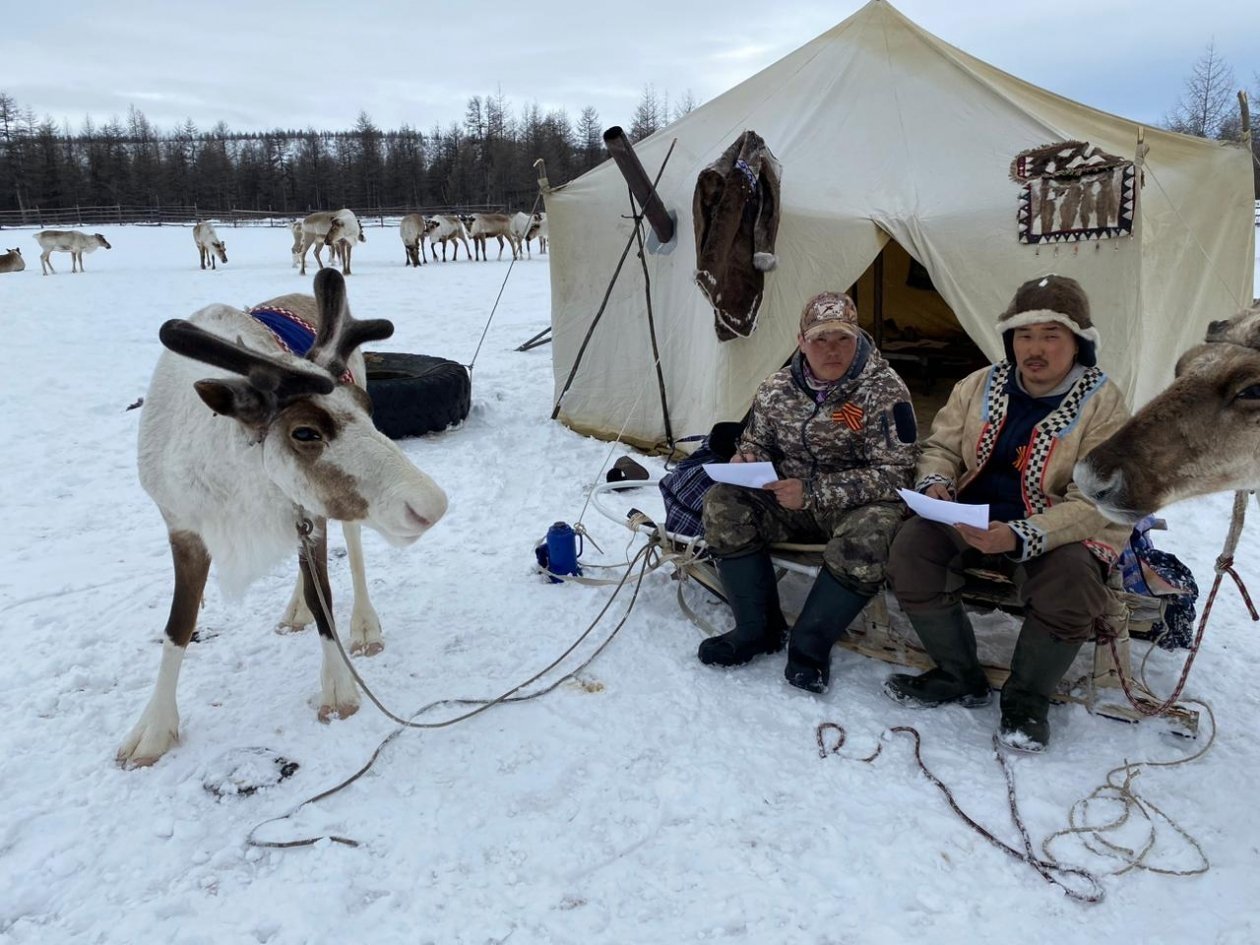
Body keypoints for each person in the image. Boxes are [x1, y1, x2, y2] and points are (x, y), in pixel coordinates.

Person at [882, 274, 1132, 752]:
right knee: (911, 552)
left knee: (1072, 587)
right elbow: (941, 448)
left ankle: (1026, 700)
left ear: (1078, 342)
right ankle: (959, 674)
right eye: (1024, 334)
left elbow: (1095, 501)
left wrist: (1021, 535)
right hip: (971, 516)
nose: (1034, 348)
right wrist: (936, 482)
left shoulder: (1103, 403)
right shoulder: (979, 385)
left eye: (1050, 335)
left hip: (1054, 526)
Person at [699, 291, 918, 693]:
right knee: (722, 502)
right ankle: (756, 629)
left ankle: (809, 647)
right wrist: (747, 456)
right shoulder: (775, 387)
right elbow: (757, 440)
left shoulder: (884, 391)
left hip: (853, 505)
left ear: (858, 339)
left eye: (842, 339)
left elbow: (898, 475)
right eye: (820, 339)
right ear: (800, 341)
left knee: (873, 532)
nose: (831, 350)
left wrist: (815, 491)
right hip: (788, 499)